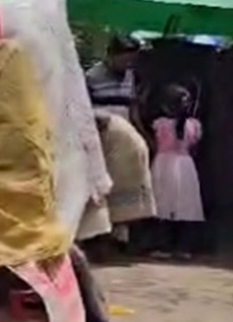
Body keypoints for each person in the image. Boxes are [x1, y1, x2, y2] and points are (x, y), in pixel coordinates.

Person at [150, 84, 204, 259]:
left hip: (162, 165)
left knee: (163, 205)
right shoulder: (194, 126)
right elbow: (195, 148)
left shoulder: (159, 124)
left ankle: (163, 246)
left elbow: (152, 142)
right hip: (185, 166)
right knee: (185, 205)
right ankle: (183, 247)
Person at [93, 109, 156, 249]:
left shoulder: (92, 118)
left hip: (123, 151)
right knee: (127, 199)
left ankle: (112, 242)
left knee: (114, 195)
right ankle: (121, 239)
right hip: (130, 148)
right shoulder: (102, 116)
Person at [86, 35, 140, 122]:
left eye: (132, 61)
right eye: (124, 61)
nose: (128, 65)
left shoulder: (132, 76)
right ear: (110, 56)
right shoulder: (91, 77)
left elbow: (133, 107)